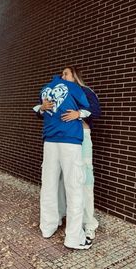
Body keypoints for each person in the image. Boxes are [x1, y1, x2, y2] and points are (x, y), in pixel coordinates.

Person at [36, 67, 101, 241]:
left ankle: (88, 224)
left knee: (84, 180)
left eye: (66, 73)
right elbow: (45, 113)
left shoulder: (84, 91)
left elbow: (96, 110)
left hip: (82, 138)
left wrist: (78, 114)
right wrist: (42, 108)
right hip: (61, 141)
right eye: (62, 74)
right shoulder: (56, 92)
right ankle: (60, 217)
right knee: (58, 181)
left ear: (75, 76)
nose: (62, 76)